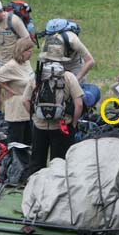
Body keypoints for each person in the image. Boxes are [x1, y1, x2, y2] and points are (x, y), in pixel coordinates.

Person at [22, 44, 84, 176]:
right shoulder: (68, 77)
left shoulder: (36, 76)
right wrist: (73, 122)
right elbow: (79, 104)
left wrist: (35, 117)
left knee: (37, 162)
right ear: (61, 60)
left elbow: (25, 100)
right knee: (60, 163)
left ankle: (35, 190)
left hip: (40, 126)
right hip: (62, 125)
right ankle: (58, 191)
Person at [0, 0, 30, 111]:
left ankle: (15, 114)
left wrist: (21, 57)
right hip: (0, 62)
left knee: (15, 90)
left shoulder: (14, 21)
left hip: (16, 62)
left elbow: (27, 40)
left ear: (0, 11)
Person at [0, 37, 34, 145]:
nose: (31, 53)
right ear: (21, 51)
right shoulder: (11, 66)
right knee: (17, 142)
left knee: (29, 141)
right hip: (16, 110)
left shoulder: (26, 63)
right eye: (29, 51)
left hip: (28, 107)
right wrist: (8, 89)